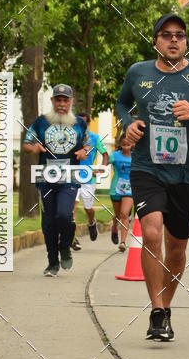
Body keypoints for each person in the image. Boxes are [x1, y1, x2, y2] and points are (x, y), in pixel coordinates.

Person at [116, 12, 189, 342]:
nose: (173, 40)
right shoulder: (138, 73)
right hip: (147, 168)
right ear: (155, 40)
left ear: (186, 41)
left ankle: (165, 308)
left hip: (186, 173)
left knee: (177, 248)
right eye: (166, 34)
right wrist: (128, 123)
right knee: (151, 233)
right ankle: (157, 312)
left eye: (179, 35)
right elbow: (122, 104)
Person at [23, 84, 89, 276]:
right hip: (46, 179)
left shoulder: (79, 123)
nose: (62, 104)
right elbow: (27, 144)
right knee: (49, 223)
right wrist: (33, 148)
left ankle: (65, 245)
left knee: (63, 215)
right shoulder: (41, 122)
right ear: (52, 101)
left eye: (65, 100)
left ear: (71, 102)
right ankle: (52, 262)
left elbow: (88, 145)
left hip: (69, 178)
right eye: (58, 100)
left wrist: (84, 151)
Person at [72, 111, 109, 248]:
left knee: (89, 209)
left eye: (83, 122)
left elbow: (105, 155)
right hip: (72, 177)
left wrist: (102, 170)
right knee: (72, 208)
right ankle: (73, 238)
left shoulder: (95, 138)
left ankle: (92, 222)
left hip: (88, 179)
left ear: (87, 123)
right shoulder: (71, 137)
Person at [109, 133, 133, 252]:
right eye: (124, 144)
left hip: (130, 189)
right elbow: (104, 164)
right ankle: (114, 227)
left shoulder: (137, 157)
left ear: (132, 144)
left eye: (128, 143)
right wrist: (96, 171)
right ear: (121, 144)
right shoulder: (115, 156)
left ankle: (123, 242)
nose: (126, 145)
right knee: (118, 215)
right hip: (116, 189)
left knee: (124, 214)